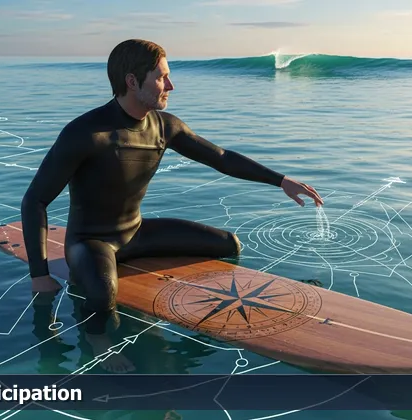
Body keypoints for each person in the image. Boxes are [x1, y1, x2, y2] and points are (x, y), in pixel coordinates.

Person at [20, 39, 324, 341]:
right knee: (102, 297)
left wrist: (281, 180)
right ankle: (98, 343)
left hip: (135, 233)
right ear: (132, 81)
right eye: (161, 77)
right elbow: (36, 199)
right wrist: (39, 276)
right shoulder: (86, 133)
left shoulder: (165, 126)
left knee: (228, 245)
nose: (171, 85)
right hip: (91, 242)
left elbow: (220, 157)